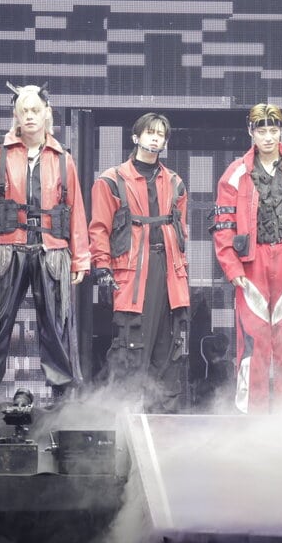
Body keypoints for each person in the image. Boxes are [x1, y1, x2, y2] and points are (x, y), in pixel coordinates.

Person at [0, 84, 90, 410]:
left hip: (52, 250)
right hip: (7, 248)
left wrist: (81, 258)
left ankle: (62, 395)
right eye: (23, 111)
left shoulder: (63, 158)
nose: (29, 116)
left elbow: (75, 209)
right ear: (16, 115)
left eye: (35, 110)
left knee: (57, 325)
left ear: (47, 113)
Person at [211, 103, 282, 413]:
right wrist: (232, 266)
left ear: (281, 131)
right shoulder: (235, 172)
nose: (269, 137)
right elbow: (223, 225)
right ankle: (253, 412)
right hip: (252, 261)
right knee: (253, 338)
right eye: (262, 131)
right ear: (251, 132)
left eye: (274, 130)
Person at [89, 113, 190, 412]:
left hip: (169, 271)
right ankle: (122, 416)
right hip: (132, 272)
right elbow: (99, 228)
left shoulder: (175, 182)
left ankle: (164, 418)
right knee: (130, 345)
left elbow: (181, 231)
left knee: (169, 347)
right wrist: (102, 265)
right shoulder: (111, 180)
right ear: (136, 137)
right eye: (149, 132)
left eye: (161, 134)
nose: (155, 138)